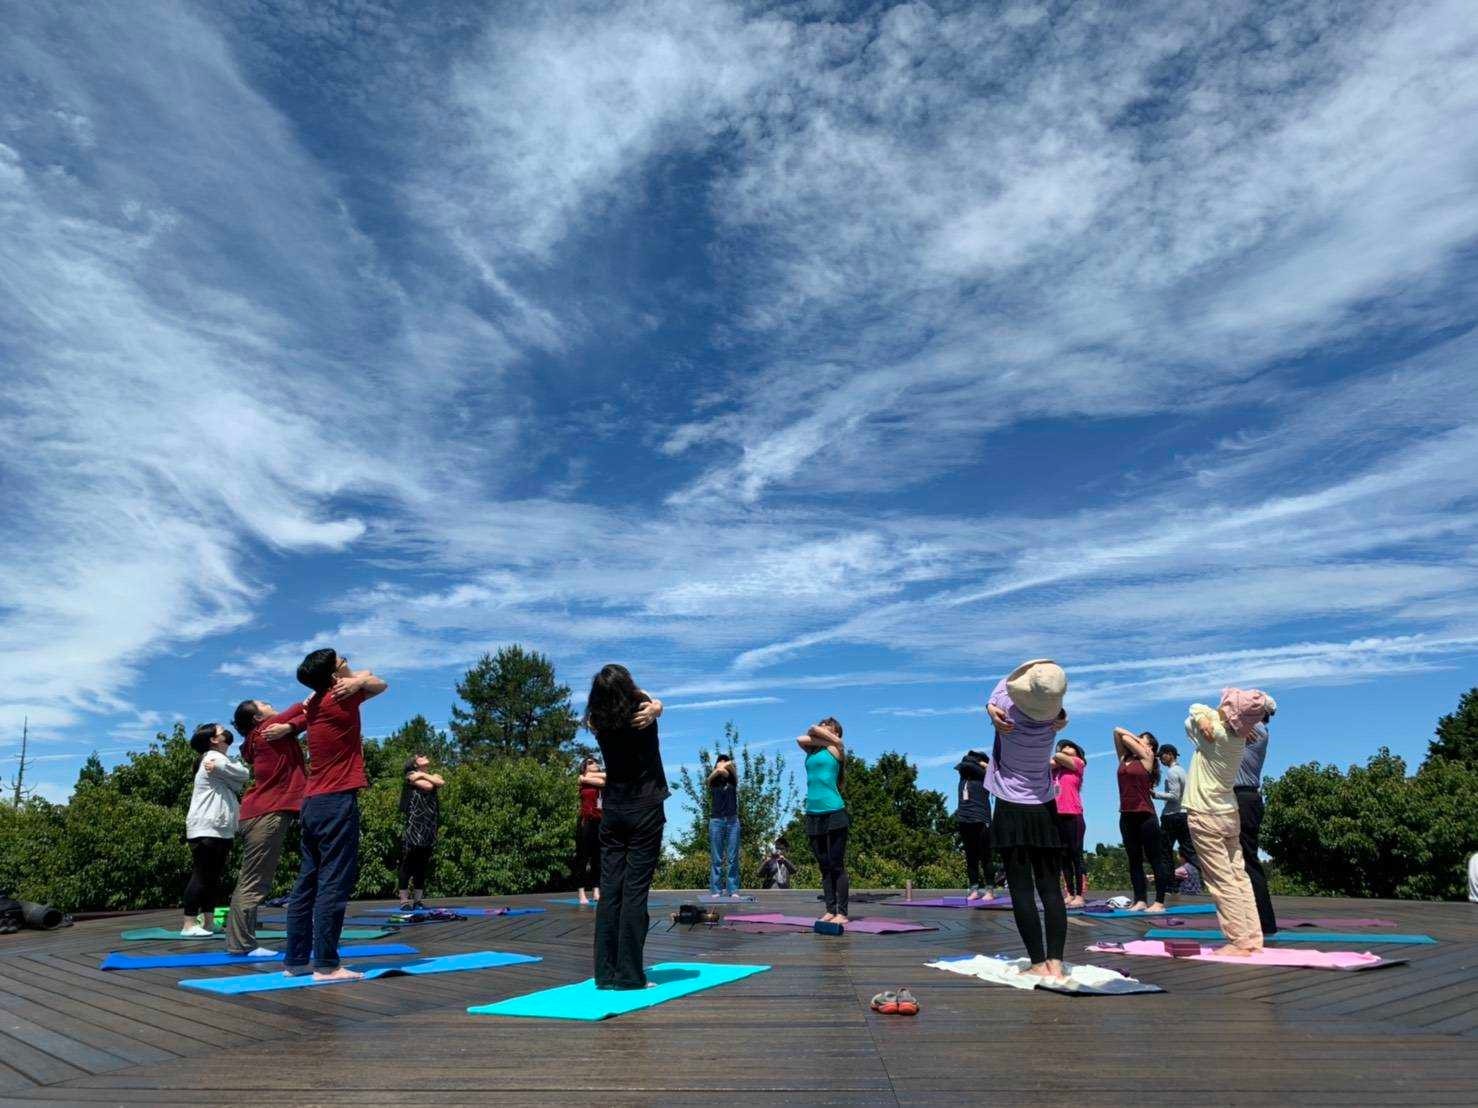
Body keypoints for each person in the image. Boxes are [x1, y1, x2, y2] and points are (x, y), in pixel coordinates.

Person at [282, 649, 388, 982]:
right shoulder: (340, 698)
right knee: (333, 882)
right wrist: (354, 678)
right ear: (333, 674)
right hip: (336, 801)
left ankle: (295, 961)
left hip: (311, 802)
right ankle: (327, 965)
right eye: (340, 659)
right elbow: (382, 683)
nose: (346, 659)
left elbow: (368, 677)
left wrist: (353, 677)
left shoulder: (315, 702)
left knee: (307, 882)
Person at [984, 659, 1071, 981]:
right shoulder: (1055, 719)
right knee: (1050, 891)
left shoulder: (1005, 711)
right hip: (1045, 808)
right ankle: (1057, 963)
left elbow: (1002, 686)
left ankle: (1037, 962)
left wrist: (990, 712)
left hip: (1010, 807)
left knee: (1021, 890)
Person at [584, 664, 665, 990]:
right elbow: (651, 698)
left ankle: (605, 973)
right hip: (644, 808)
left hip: (613, 810)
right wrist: (658, 706)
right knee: (634, 893)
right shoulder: (643, 708)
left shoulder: (597, 721)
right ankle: (630, 975)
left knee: (610, 891)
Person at [1183, 687, 1276, 957]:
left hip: (1205, 813)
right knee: (1239, 876)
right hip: (1228, 812)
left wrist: (1201, 716)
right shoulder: (1240, 737)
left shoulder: (1215, 734)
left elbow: (1191, 712)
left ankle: (1238, 942)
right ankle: (1253, 938)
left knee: (1220, 880)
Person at [224, 699, 308, 956]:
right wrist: (291, 724)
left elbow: (301, 717)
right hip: (266, 813)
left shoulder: (256, 737)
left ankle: (240, 943)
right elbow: (310, 708)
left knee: (253, 877)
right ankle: (242, 945)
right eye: (264, 703)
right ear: (258, 718)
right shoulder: (268, 728)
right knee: (254, 880)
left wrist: (290, 727)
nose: (270, 703)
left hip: (257, 812)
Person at [180, 723, 250, 936]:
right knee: (202, 875)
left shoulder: (217, 761)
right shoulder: (213, 757)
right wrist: (226, 769)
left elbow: (237, 782)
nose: (226, 733)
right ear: (213, 739)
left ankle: (209, 922)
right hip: (208, 827)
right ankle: (189, 924)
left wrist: (227, 772)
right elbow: (244, 774)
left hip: (217, 827)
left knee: (212, 877)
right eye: (221, 731)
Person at [798, 718, 850, 924]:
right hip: (813, 813)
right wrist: (821, 737)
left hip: (834, 811)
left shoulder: (836, 749)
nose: (821, 728)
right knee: (824, 865)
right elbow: (800, 738)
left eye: (827, 727)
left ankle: (842, 913)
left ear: (836, 733)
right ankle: (830, 909)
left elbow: (811, 729)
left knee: (836, 865)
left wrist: (824, 735)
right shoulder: (813, 750)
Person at [1113, 727, 1171, 912]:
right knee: (1134, 859)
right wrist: (1137, 739)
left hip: (1145, 816)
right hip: (1126, 815)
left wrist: (1135, 741)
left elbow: (1126, 739)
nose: (1137, 740)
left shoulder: (1148, 758)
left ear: (1151, 748)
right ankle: (1140, 900)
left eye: (1142, 740)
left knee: (1155, 859)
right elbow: (1117, 732)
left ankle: (1159, 902)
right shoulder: (1124, 758)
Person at [1234, 713, 1279, 934]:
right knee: (1239, 861)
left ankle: (1265, 923)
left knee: (1248, 860)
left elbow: (1225, 708)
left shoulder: (1256, 730)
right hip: (1240, 797)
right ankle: (1253, 920)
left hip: (1244, 798)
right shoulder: (1246, 729)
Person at [397, 755, 444, 910]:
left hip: (429, 825)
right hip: (414, 825)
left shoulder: (429, 775)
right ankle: (404, 901)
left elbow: (440, 782)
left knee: (422, 864)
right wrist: (425, 777)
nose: (424, 756)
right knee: (408, 863)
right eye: (419, 757)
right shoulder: (410, 775)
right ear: (415, 764)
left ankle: (418, 901)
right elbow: (430, 786)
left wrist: (423, 774)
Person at [953, 749, 994, 901]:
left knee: (985, 856)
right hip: (964, 819)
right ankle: (974, 889)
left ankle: (989, 890)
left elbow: (997, 771)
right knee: (971, 856)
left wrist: (984, 765)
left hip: (981, 819)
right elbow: (965, 765)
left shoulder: (986, 779)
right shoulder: (963, 778)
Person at [1050, 739, 1087, 907]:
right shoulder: (1056, 769)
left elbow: (1056, 756)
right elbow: (1047, 763)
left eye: (1069, 746)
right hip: (1057, 816)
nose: (1065, 749)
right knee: (1063, 857)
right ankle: (1070, 893)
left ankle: (1080, 894)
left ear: (1077, 752)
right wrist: (1057, 760)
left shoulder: (1078, 764)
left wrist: (1060, 755)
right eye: (1063, 746)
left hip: (1073, 814)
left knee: (1076, 855)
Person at [1154, 744, 1197, 884]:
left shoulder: (1172, 772)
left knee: (1165, 851)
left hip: (1172, 815)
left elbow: (1174, 795)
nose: (1160, 760)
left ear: (1170, 754)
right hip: (1184, 814)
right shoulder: (1182, 771)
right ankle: (1213, 878)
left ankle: (1170, 886)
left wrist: (1155, 794)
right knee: (1189, 850)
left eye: (1162, 756)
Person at [707, 752, 741, 898]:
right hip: (716, 821)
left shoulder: (733, 779)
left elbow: (732, 769)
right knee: (717, 858)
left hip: (733, 821)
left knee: (733, 857)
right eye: (719, 761)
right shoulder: (713, 781)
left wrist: (726, 764)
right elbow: (709, 779)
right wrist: (718, 768)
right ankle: (716, 890)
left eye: (725, 762)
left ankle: (732, 890)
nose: (722, 764)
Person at [575, 757, 605, 905]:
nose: (594, 764)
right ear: (584, 767)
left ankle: (596, 890)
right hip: (586, 821)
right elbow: (585, 778)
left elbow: (606, 779)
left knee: (598, 858)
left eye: (595, 762)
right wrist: (587, 775)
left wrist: (591, 774)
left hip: (600, 822)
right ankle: (581, 892)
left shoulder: (589, 777)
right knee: (583, 857)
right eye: (590, 762)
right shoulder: (582, 779)